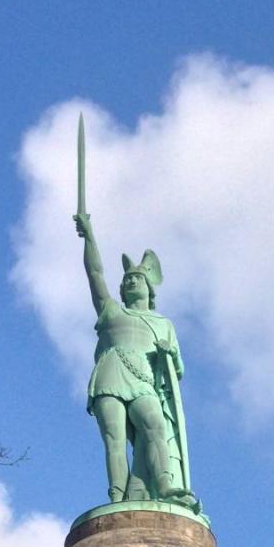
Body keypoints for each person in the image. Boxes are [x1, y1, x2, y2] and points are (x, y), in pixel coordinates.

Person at [74, 210, 195, 507]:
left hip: (144, 381)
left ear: (148, 288)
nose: (131, 282)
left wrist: (167, 353)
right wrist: (89, 236)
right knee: (114, 439)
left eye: (137, 279)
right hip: (110, 374)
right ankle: (117, 497)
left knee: (155, 425)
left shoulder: (163, 323)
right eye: (127, 279)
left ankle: (164, 485)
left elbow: (176, 370)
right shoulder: (111, 312)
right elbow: (95, 274)